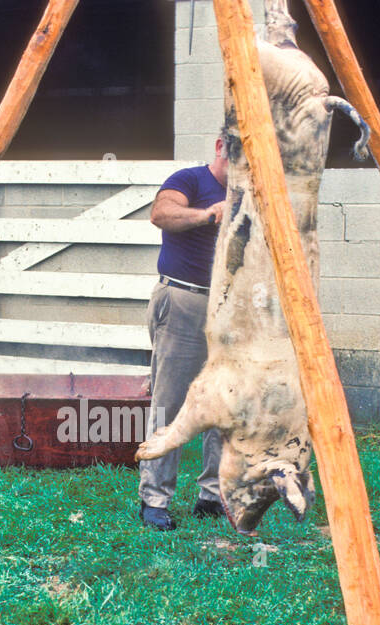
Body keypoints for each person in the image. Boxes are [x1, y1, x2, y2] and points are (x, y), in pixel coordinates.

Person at [138, 136, 228, 531]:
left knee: (225, 404)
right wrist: (210, 214)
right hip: (184, 301)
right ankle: (154, 500)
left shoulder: (256, 193)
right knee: (170, 403)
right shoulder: (189, 180)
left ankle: (213, 495)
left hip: (232, 309)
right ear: (221, 145)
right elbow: (161, 214)